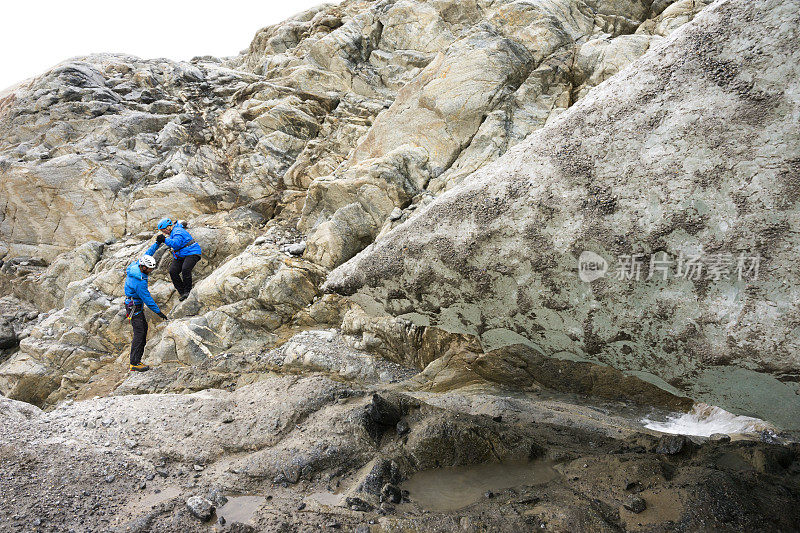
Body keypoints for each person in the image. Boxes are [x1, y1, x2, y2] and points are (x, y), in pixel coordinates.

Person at [124, 245, 167, 372]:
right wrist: (158, 312)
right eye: (149, 269)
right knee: (139, 334)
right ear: (143, 267)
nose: (150, 271)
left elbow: (147, 254)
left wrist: (157, 244)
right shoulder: (140, 281)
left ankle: (137, 360)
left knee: (143, 330)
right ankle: (134, 363)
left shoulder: (134, 267)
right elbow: (147, 298)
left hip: (133, 304)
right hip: (135, 307)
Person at [154, 217, 202, 301]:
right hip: (181, 255)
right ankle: (182, 292)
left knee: (185, 269)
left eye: (163, 229)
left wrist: (164, 240)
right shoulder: (175, 229)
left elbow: (176, 244)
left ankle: (188, 291)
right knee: (173, 271)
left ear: (169, 226)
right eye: (162, 230)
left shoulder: (177, 231)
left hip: (192, 252)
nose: (163, 232)